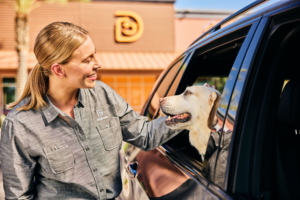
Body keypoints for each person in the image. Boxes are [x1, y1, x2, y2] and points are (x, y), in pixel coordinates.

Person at [0, 22, 183, 200]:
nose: (98, 63)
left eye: (94, 55)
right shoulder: (20, 124)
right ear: (59, 70)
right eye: (88, 60)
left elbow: (145, 134)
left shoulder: (103, 94)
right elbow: (19, 196)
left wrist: (190, 116)